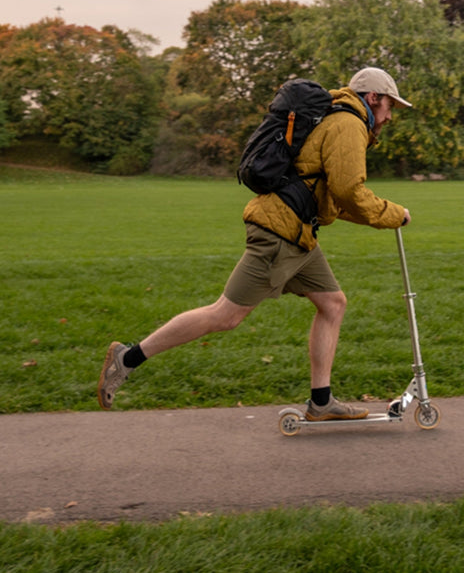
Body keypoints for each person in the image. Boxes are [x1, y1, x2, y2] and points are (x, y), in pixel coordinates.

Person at [98, 67, 412, 420]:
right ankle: (127, 359)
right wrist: (391, 213)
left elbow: (334, 203)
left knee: (333, 303)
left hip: (299, 234)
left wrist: (384, 217)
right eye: (390, 106)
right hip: (279, 234)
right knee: (225, 315)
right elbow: (348, 190)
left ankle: (321, 402)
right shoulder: (350, 124)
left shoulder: (340, 119)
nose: (389, 115)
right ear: (373, 98)